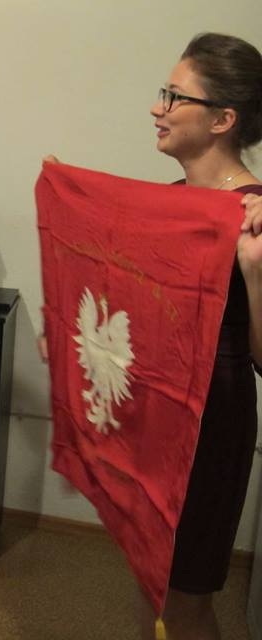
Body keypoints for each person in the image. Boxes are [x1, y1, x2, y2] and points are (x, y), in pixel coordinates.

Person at [44, 32, 262, 640]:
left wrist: (254, 272)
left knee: (185, 601)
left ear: (222, 119)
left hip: (207, 428)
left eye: (174, 96)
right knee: (151, 579)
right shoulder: (173, 203)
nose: (156, 107)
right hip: (154, 417)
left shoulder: (255, 213)